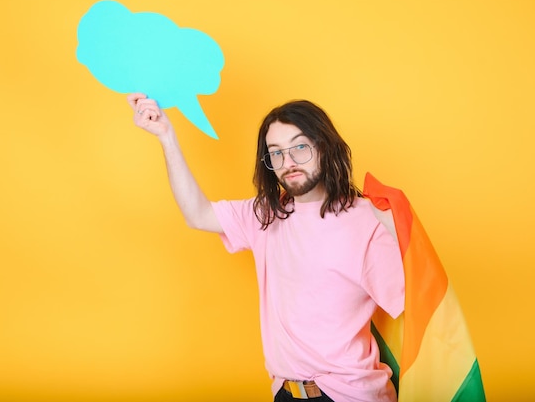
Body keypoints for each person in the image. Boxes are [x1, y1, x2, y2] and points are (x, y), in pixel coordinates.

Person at [127, 93, 405, 402]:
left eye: (300, 147)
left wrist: (396, 230)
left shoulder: (367, 222)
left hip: (350, 396)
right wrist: (166, 137)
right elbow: (198, 215)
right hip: (285, 394)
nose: (288, 163)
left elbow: (418, 312)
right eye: (276, 153)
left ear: (324, 148)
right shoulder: (266, 215)